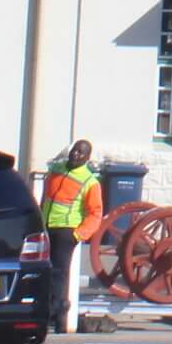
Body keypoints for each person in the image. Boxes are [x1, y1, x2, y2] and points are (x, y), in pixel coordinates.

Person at [40, 140, 105, 332]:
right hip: (47, 226)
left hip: (67, 230)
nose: (76, 154)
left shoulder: (89, 181)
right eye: (75, 150)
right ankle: (52, 311)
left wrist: (78, 234)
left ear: (87, 157)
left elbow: (95, 213)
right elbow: (45, 196)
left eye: (81, 153)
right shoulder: (57, 170)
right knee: (44, 271)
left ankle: (56, 313)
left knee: (59, 273)